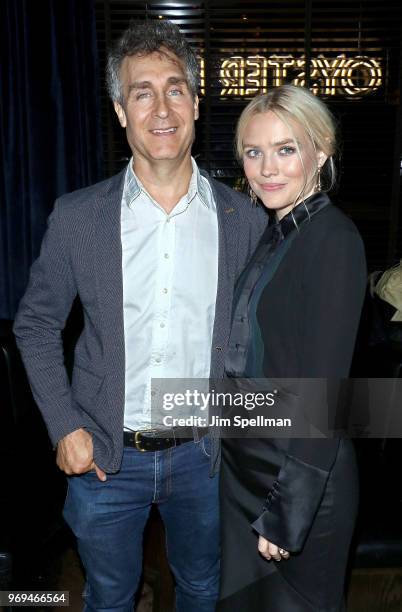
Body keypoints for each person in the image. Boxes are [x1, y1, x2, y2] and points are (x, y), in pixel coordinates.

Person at [13, 20, 267, 612]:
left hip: (206, 455)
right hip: (105, 455)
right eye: (141, 91)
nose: (161, 108)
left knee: (204, 589)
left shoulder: (245, 222)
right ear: (121, 110)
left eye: (175, 88)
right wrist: (64, 425)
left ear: (197, 103)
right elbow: (35, 324)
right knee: (110, 595)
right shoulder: (78, 219)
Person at [218, 85, 367, 611]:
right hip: (247, 469)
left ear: (320, 152)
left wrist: (289, 512)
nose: (267, 168)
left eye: (286, 149)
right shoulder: (275, 231)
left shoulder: (333, 239)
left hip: (298, 477)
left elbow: (325, 393)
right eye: (254, 152)